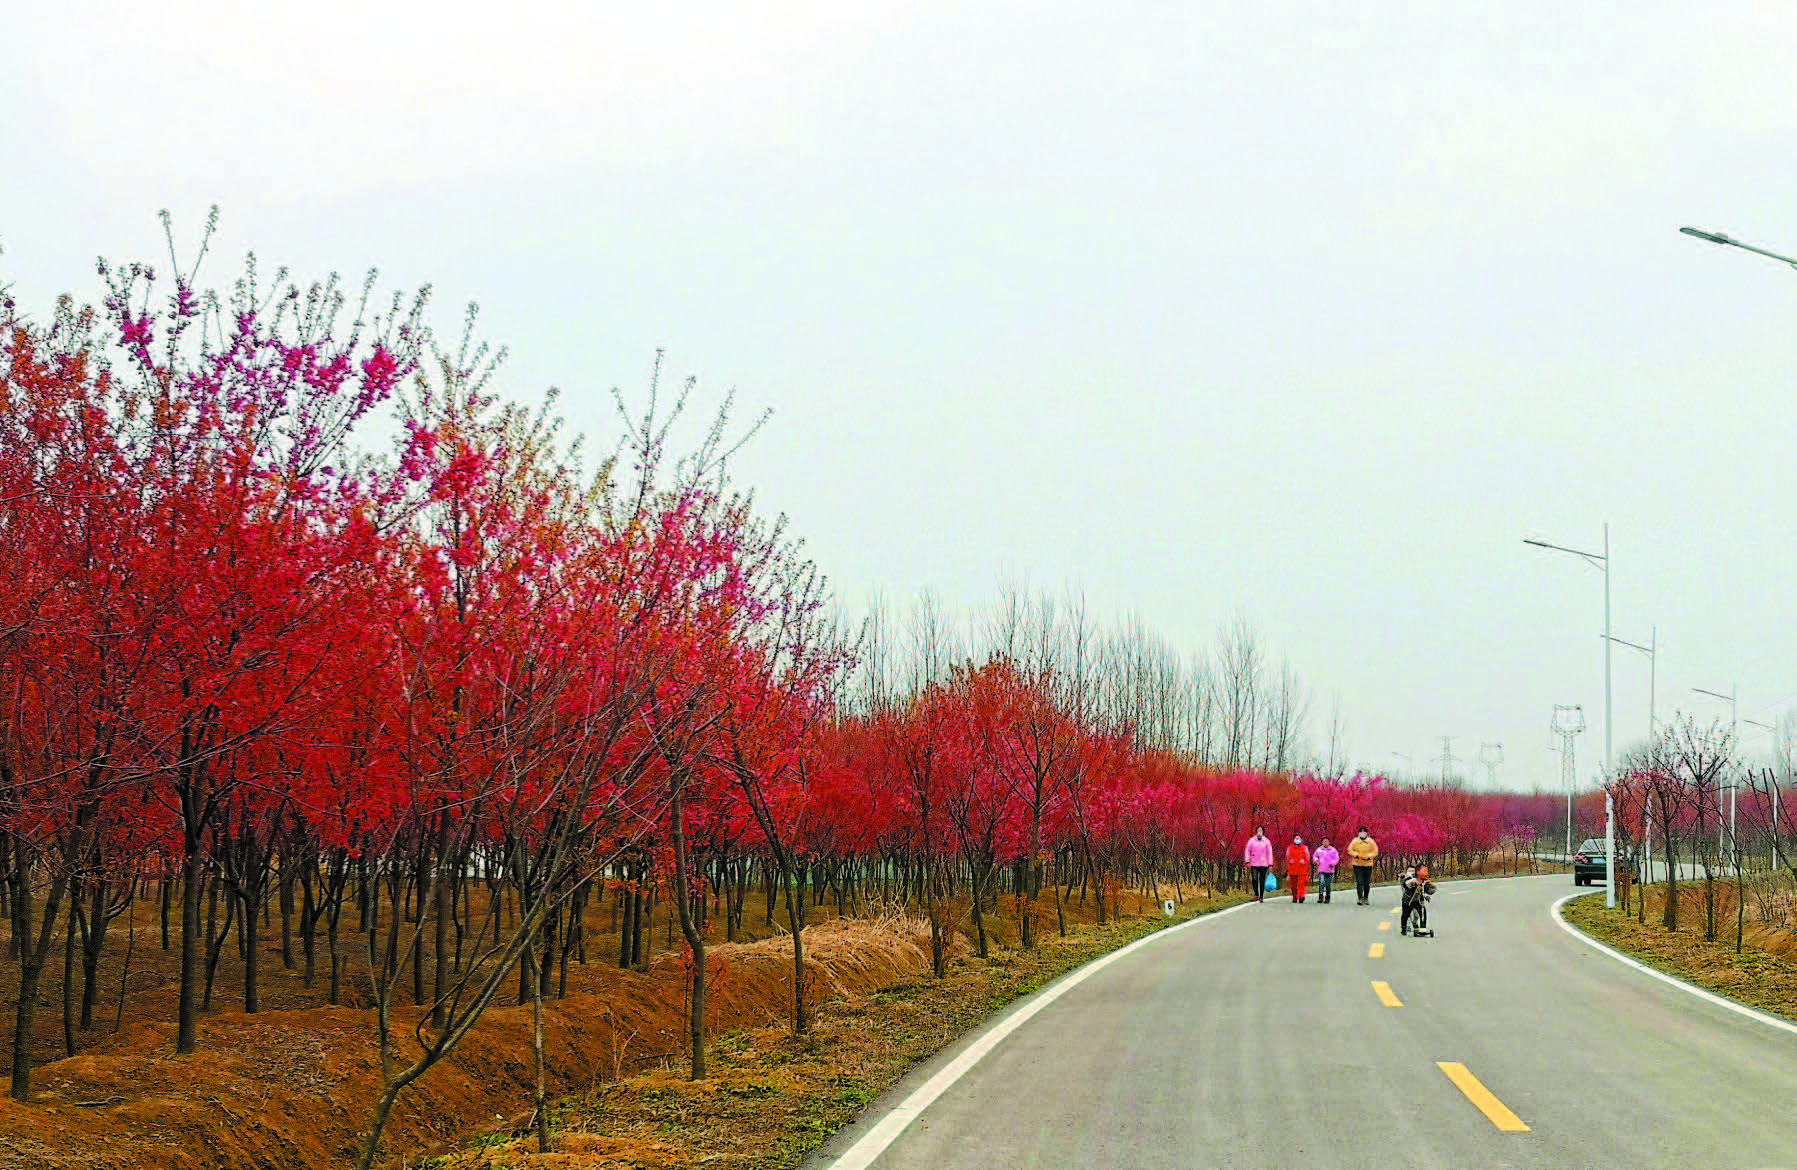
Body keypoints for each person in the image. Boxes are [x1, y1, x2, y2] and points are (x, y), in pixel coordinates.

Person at [1401, 864, 1437, 936]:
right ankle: (1404, 928)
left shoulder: (1424, 880)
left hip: (1418, 900)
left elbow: (1426, 889)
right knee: (1405, 915)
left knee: (1423, 912)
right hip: (1408, 901)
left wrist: (1429, 891)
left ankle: (1422, 928)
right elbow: (1405, 884)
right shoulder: (1410, 878)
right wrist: (1414, 882)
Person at [1348, 826, 1379, 905]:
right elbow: (1350, 850)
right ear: (1358, 833)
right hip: (1357, 864)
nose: (1362, 833)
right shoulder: (1355, 841)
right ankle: (1360, 898)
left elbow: (1375, 851)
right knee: (1359, 881)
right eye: (1361, 832)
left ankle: (1366, 898)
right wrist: (1356, 855)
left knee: (1366, 882)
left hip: (1368, 864)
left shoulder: (1371, 841)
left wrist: (1369, 856)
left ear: (1367, 833)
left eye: (1364, 831)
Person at [1244, 826, 1274, 903]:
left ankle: (1261, 896)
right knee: (1254, 879)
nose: (1259, 832)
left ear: (1263, 832)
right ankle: (1256, 894)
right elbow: (1247, 850)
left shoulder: (1266, 841)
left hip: (1263, 864)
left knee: (1262, 880)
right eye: (1258, 830)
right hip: (1254, 863)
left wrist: (1270, 864)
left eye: (1261, 830)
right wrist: (1247, 861)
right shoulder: (1252, 841)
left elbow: (1269, 853)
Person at [1312, 836, 1339, 904]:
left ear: (1329, 842)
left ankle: (1327, 897)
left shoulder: (1333, 850)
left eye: (1326, 841)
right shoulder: (1319, 850)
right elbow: (1315, 856)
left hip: (1329, 870)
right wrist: (1316, 861)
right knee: (1321, 882)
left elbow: (1336, 858)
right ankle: (1320, 897)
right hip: (1321, 869)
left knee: (1328, 884)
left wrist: (1332, 863)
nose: (1325, 843)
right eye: (1324, 841)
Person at [1285, 835, 1311, 903]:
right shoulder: (1290, 848)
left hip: (1302, 869)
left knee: (1301, 884)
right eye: (1296, 838)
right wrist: (1290, 861)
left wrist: (1304, 861)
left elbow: (1307, 858)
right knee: (1293, 884)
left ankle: (1301, 896)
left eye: (1298, 838)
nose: (1297, 840)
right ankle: (1294, 896)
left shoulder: (1304, 848)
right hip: (1292, 869)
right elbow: (1287, 857)